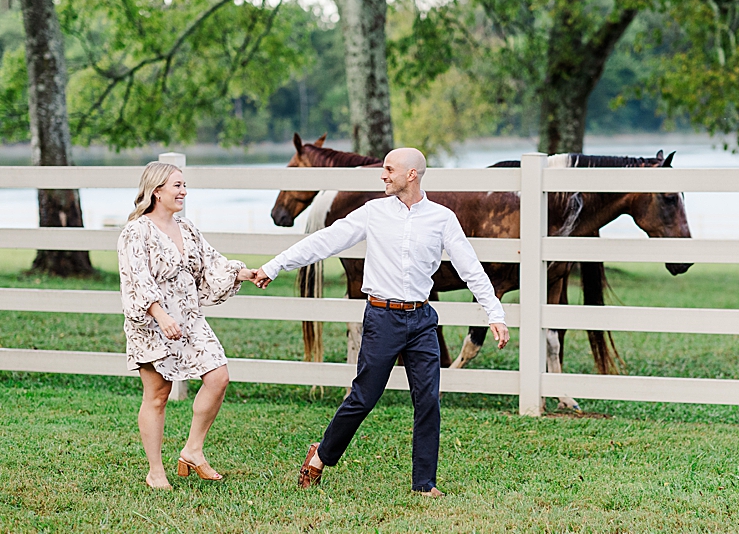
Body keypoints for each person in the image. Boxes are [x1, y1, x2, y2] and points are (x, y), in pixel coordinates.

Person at [252, 147, 509, 497]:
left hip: (421, 321)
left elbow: (470, 268)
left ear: (412, 175)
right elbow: (324, 242)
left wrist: (494, 313)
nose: (383, 175)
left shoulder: (442, 218)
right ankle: (321, 454)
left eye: (390, 169)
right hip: (382, 319)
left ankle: (424, 483)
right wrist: (274, 265)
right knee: (363, 397)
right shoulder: (373, 212)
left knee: (428, 400)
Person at [117, 162, 257, 490]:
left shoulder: (187, 227)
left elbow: (211, 262)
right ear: (156, 191)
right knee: (158, 395)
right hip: (151, 323)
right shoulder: (136, 232)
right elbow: (136, 279)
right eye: (176, 185)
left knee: (218, 377)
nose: (183, 191)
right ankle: (155, 471)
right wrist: (160, 316)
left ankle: (193, 450)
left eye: (184, 185)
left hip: (189, 319)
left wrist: (242, 272)